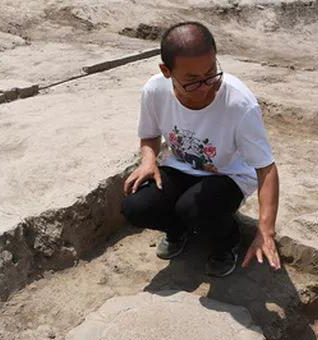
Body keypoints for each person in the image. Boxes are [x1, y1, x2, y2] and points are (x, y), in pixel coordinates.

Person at [120, 21, 281, 277]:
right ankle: (178, 230)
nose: (206, 87)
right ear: (166, 71)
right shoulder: (154, 90)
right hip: (181, 166)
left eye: (211, 73)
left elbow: (266, 168)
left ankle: (225, 244)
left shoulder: (239, 103)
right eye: (193, 81)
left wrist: (265, 229)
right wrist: (148, 161)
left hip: (229, 175)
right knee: (136, 207)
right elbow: (149, 135)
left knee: (195, 208)